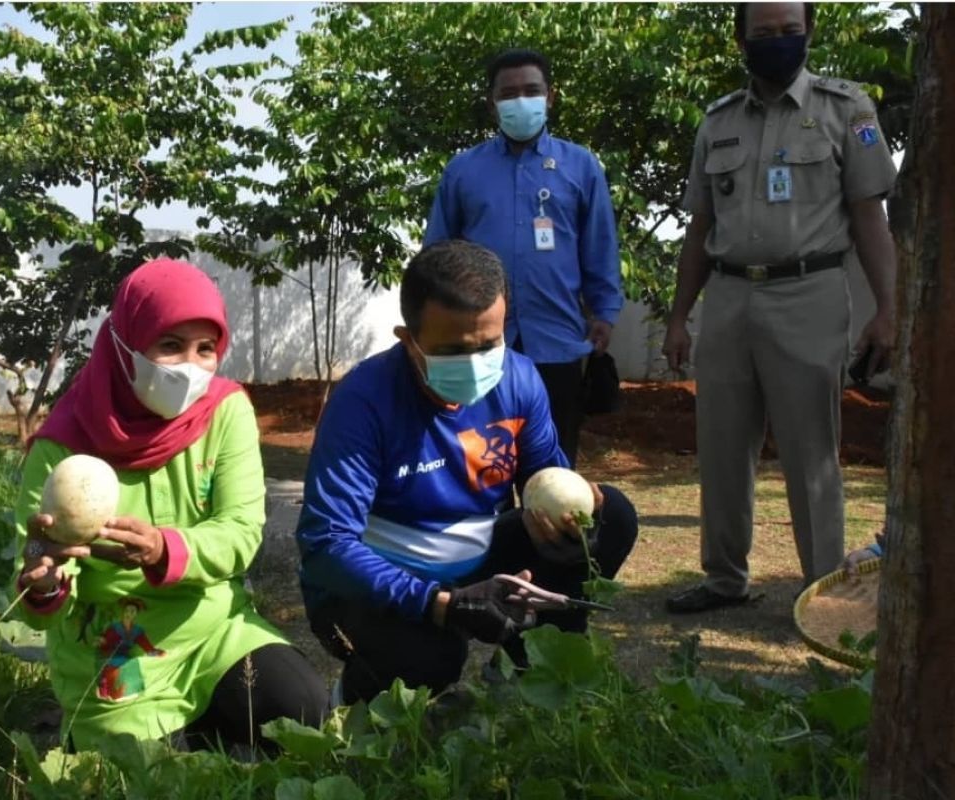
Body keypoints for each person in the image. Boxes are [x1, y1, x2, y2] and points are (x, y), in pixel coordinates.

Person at [295, 240, 638, 705]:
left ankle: (528, 673)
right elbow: (325, 544)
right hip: (387, 579)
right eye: (454, 349)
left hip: (482, 553)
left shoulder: (520, 378)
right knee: (433, 659)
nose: (477, 363)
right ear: (407, 340)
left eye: (489, 344)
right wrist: (439, 604)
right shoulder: (363, 401)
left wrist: (574, 527)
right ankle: (360, 697)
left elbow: (546, 481)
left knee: (612, 516)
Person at [13, 258, 328, 752]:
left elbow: (242, 532)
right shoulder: (62, 447)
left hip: (215, 633)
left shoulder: (225, 412)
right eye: (170, 346)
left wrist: (165, 549)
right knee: (129, 775)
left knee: (304, 706)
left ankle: (207, 729)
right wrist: (43, 585)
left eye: (206, 349)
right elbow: (39, 604)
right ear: (124, 347)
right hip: (115, 648)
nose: (190, 366)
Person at [662, 2, 898, 613]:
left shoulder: (847, 110)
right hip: (730, 294)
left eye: (790, 31)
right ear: (741, 39)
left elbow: (871, 220)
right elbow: (699, 228)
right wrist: (679, 315)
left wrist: (889, 311)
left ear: (809, 33)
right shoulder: (718, 121)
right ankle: (723, 579)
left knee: (811, 449)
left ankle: (820, 586)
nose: (778, 42)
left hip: (809, 292)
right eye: (764, 33)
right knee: (720, 446)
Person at [423, 48, 624, 469]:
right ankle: (493, 537)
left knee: (552, 477)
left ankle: (549, 535)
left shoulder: (581, 166)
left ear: (550, 96)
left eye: (531, 90)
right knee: (481, 473)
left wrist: (604, 311)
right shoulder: (462, 171)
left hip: (558, 345)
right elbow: (437, 257)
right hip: (480, 350)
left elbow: (599, 245)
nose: (520, 101)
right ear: (492, 101)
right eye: (508, 93)